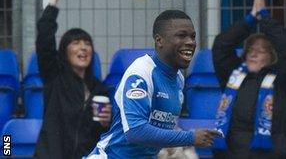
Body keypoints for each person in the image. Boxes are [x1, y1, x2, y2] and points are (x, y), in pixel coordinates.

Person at [86, 10, 218, 158]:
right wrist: (191, 138)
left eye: (192, 37)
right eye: (181, 36)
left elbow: (161, 128)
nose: (190, 42)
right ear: (159, 40)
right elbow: (136, 132)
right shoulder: (141, 73)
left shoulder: (179, 80)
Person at [212, 0, 286, 159]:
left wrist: (264, 17)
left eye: (260, 50)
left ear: (272, 57)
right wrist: (251, 18)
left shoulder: (284, 80)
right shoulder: (234, 75)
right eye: (250, 49)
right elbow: (222, 45)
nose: (253, 53)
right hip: (233, 154)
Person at [34, 0, 112, 159]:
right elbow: (45, 36)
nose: (83, 48)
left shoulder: (99, 89)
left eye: (87, 43)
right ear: (64, 51)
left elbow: (102, 135)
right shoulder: (54, 77)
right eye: (76, 43)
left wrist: (106, 122)